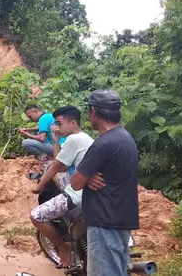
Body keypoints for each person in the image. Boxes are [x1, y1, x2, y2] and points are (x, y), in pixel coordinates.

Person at [70, 90, 139, 276]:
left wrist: (86, 177)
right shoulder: (125, 138)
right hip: (120, 219)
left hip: (105, 223)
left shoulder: (103, 144)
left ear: (93, 111)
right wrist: (89, 177)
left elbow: (75, 182)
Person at [30, 105, 94, 268]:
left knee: (36, 216)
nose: (56, 127)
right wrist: (56, 141)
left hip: (77, 195)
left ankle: (62, 246)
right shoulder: (86, 138)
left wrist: (39, 186)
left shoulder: (73, 139)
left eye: (59, 124)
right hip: (90, 193)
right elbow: (64, 165)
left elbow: (55, 166)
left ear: (73, 123)